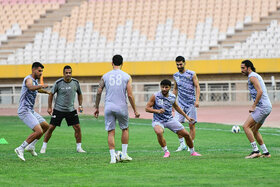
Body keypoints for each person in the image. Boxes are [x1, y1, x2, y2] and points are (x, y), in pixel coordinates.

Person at [94, 55, 140, 164]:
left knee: (111, 132)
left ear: (112, 63)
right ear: (122, 63)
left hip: (109, 106)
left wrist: (96, 107)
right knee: (125, 129)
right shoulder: (127, 77)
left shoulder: (105, 76)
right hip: (121, 106)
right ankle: (124, 154)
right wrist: (135, 110)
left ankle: (112, 158)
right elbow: (129, 95)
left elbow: (99, 92)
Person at [145, 79, 201, 158]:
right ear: (160, 87)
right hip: (158, 120)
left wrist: (187, 117)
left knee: (186, 134)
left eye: (166, 87)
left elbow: (177, 107)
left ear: (170, 88)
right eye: (162, 87)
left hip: (170, 120)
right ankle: (166, 152)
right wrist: (157, 111)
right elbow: (147, 108)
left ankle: (193, 152)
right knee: (159, 132)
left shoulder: (172, 96)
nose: (164, 89)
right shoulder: (155, 96)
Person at [40, 65, 86, 153]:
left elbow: (80, 93)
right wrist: (49, 107)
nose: (68, 74)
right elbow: (51, 94)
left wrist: (80, 105)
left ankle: (79, 147)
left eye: (70, 73)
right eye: (66, 73)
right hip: (58, 109)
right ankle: (43, 147)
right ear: (63, 73)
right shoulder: (58, 83)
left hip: (71, 110)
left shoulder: (75, 83)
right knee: (51, 128)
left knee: (77, 128)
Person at [15, 62, 50, 161]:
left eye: (42, 71)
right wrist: (41, 86)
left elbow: (36, 89)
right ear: (33, 70)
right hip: (24, 110)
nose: (41, 73)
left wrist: (47, 92)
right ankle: (20, 148)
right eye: (39, 71)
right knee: (38, 131)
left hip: (31, 110)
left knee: (45, 126)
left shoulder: (34, 81)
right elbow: (30, 87)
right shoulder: (29, 79)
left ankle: (31, 146)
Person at [241, 60, 272, 159]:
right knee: (255, 130)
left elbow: (260, 91)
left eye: (243, 68)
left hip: (262, 107)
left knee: (246, 126)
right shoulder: (254, 76)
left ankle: (255, 151)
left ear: (248, 68)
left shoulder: (252, 77)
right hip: (267, 106)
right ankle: (266, 153)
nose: (241, 70)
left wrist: (254, 105)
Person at [173, 56, 200, 152]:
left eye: (180, 64)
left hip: (191, 103)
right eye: (177, 64)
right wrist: (172, 102)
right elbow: (175, 89)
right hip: (180, 104)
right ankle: (182, 144)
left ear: (184, 63)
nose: (179, 66)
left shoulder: (191, 74)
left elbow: (197, 86)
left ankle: (190, 145)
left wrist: (197, 100)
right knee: (176, 124)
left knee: (191, 125)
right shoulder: (175, 75)